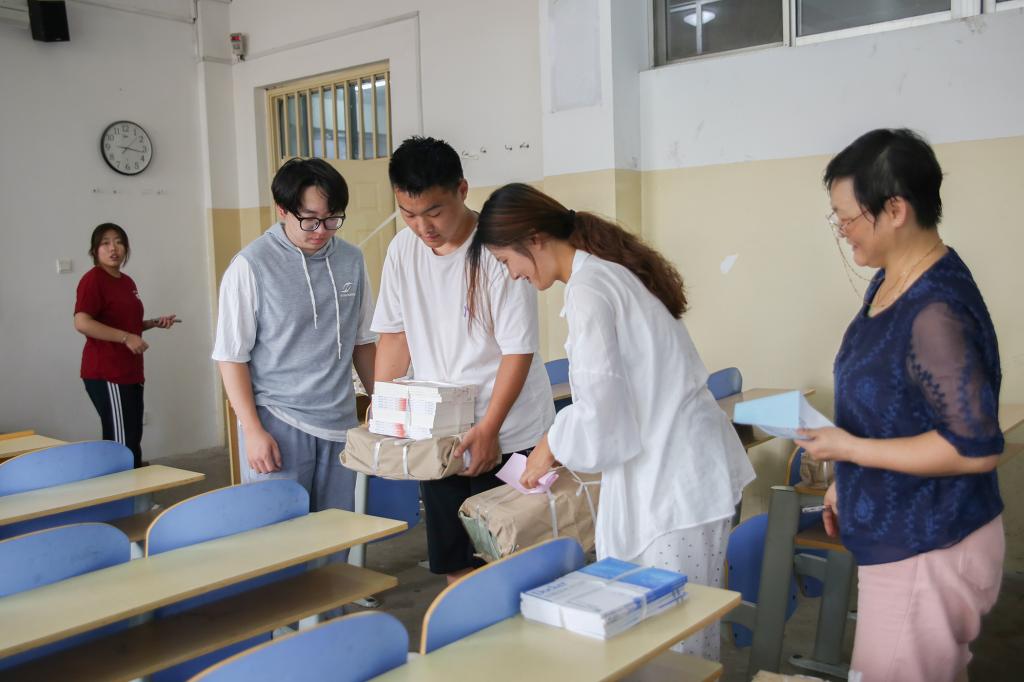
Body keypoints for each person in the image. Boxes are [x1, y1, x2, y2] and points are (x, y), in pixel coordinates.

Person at [467, 183, 755, 660]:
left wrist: (551, 443)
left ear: (534, 239)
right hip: (679, 473)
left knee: (674, 645)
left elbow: (603, 419)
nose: (513, 274)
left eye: (506, 261)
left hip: (676, 485)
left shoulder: (590, 290)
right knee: (675, 636)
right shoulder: (604, 275)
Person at [795, 129, 1004, 682]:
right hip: (906, 536)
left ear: (895, 210)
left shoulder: (935, 309)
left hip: (929, 543)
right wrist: (849, 478)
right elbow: (898, 408)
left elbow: (975, 448)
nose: (841, 230)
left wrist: (851, 450)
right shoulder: (892, 279)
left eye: (848, 217)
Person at [372, 137, 554, 583]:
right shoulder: (402, 251)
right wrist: (385, 413)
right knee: (455, 561)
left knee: (510, 561)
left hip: (509, 430)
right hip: (440, 435)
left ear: (462, 190)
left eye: (433, 211)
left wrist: (490, 429)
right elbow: (394, 337)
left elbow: (517, 351)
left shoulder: (497, 250)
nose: (423, 227)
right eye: (408, 213)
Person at [213, 158, 376, 518]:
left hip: (339, 423)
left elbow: (363, 342)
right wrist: (252, 431)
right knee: (279, 535)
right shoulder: (251, 265)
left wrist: (382, 404)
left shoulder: (351, 259)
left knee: (335, 533)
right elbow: (231, 356)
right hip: (277, 422)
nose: (321, 230)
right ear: (282, 210)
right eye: (310, 219)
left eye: (332, 219)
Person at [74, 223, 178, 468]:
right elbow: (82, 322)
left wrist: (152, 323)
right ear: (95, 250)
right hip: (107, 372)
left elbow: (125, 323)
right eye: (105, 243)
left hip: (130, 371)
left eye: (119, 242)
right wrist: (125, 337)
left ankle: (134, 485)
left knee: (131, 436)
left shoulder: (126, 281)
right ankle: (122, 490)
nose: (113, 248)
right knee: (121, 444)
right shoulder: (93, 280)